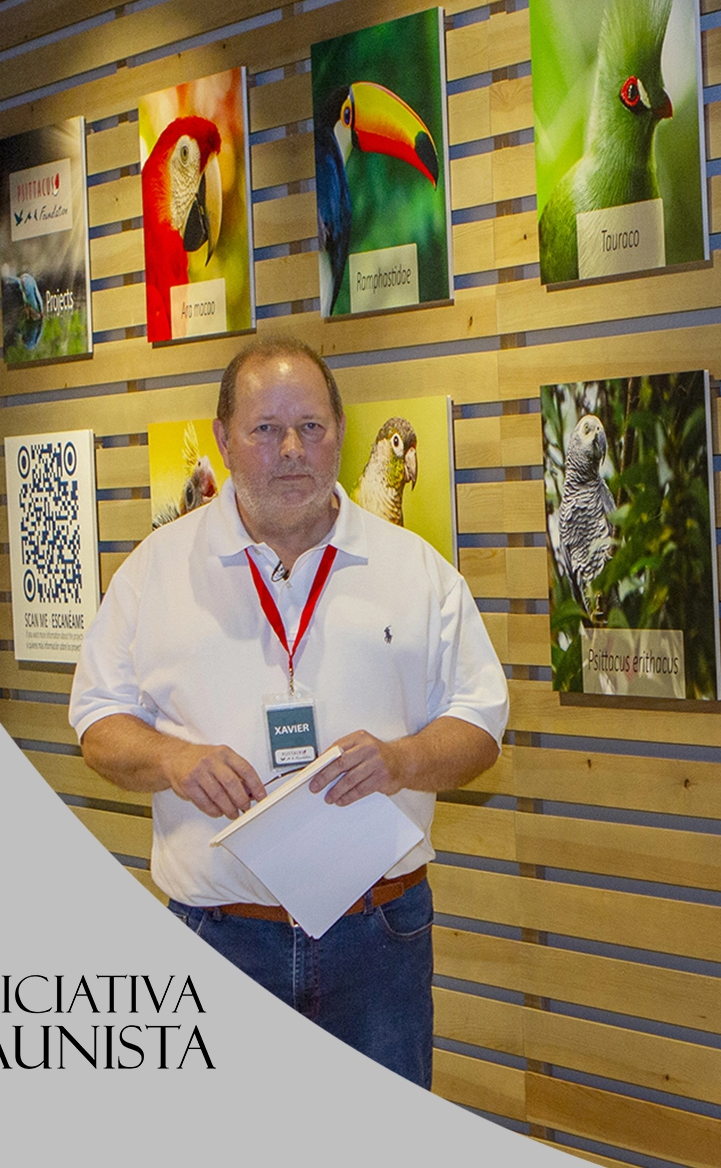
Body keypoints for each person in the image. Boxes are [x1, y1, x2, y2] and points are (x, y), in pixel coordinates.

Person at [69, 338, 508, 1088]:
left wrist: (402, 759)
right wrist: (174, 759)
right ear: (224, 440)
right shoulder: (155, 572)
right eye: (266, 429)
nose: (292, 448)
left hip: (378, 938)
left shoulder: (417, 571)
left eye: (311, 425)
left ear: (341, 431)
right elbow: (98, 724)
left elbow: (481, 724)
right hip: (217, 935)